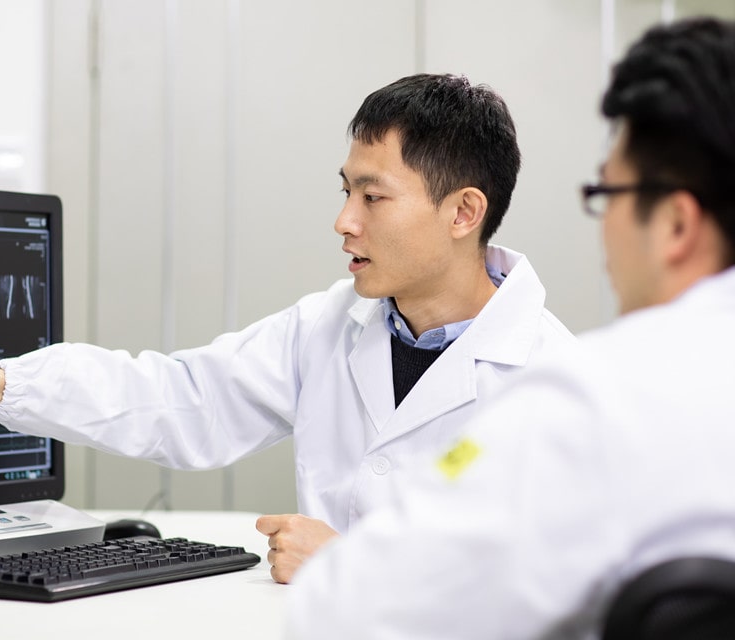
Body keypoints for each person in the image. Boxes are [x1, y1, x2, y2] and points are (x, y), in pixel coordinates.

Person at [0, 73, 575, 584]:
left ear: (463, 212)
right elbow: (176, 398)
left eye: (372, 197)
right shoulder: (328, 327)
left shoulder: (558, 382)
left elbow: (560, 586)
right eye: (345, 190)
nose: (343, 220)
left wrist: (359, 566)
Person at [284, 16, 735, 639]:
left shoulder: (591, 399)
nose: (345, 222)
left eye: (606, 194)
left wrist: (337, 559)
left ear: (676, 226)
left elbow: (352, 608)